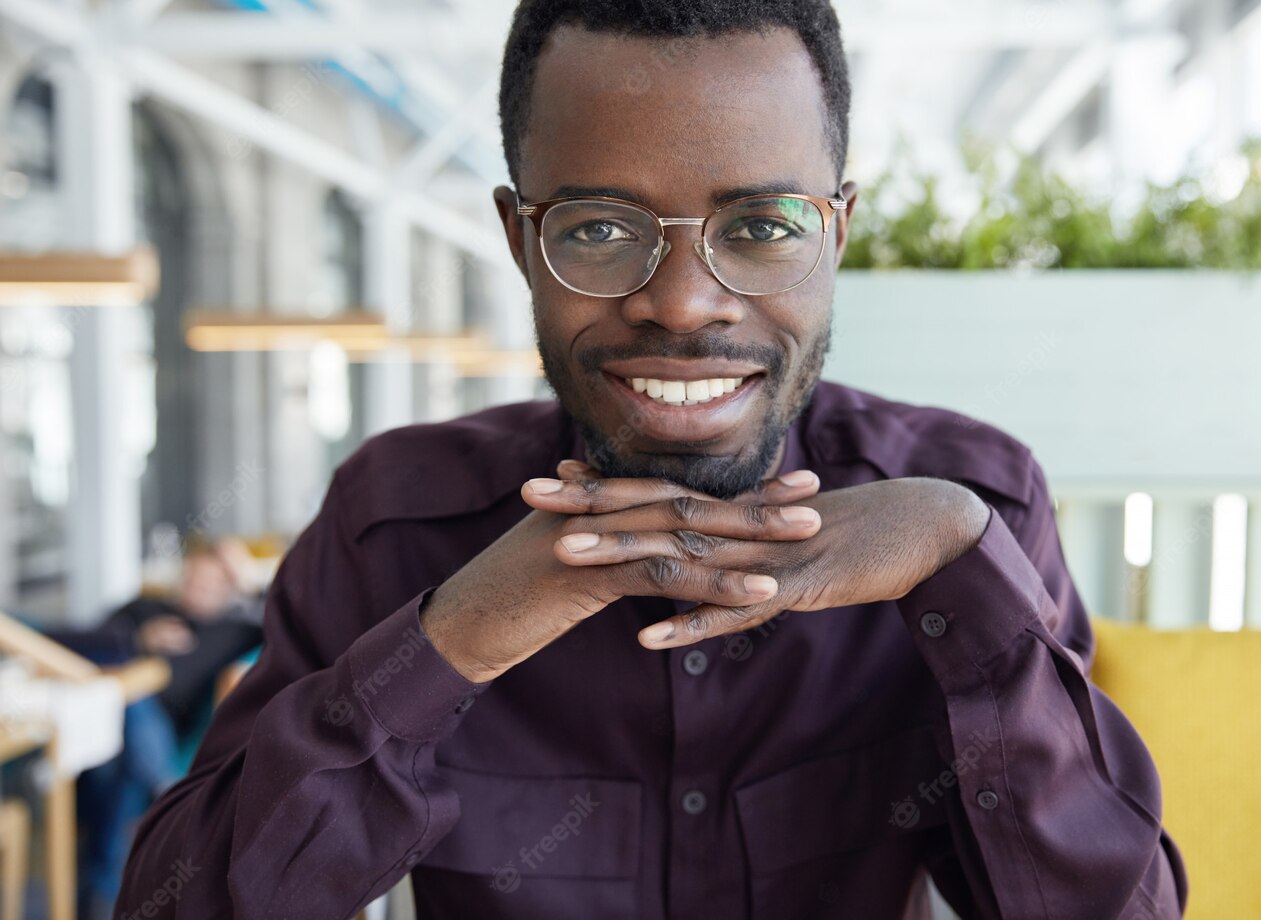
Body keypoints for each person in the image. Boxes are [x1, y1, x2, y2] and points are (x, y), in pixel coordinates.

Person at [116, 2, 1188, 917]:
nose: (680, 301)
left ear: (839, 232)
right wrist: (457, 637)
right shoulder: (392, 521)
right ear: (517, 237)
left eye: (763, 224)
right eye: (595, 229)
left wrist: (967, 578)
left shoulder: (977, 509)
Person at [75, 539, 262, 919]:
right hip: (102, 726)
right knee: (120, 748)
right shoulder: (145, 609)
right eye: (193, 579)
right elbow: (84, 640)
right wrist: (139, 638)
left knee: (130, 712)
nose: (199, 590)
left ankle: (97, 898)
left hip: (160, 728)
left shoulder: (233, 628)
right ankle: (158, 794)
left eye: (212, 586)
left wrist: (249, 579)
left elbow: (292, 614)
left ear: (228, 592)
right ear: (181, 577)